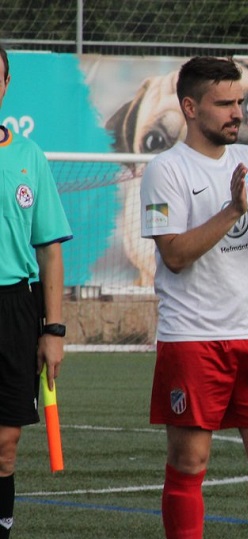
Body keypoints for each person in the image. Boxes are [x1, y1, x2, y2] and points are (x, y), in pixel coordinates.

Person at [140, 56, 248, 539]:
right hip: (191, 339)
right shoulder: (164, 171)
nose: (237, 113)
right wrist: (236, 208)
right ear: (190, 107)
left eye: (239, 102)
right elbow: (174, 255)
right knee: (190, 463)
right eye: (223, 103)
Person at [0, 44, 72, 539]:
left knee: (5, 442)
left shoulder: (28, 157)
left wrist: (54, 330)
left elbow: (49, 251)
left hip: (14, 309)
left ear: (4, 85)